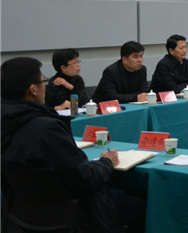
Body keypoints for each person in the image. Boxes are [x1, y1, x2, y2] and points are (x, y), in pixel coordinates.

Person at [1, 57, 145, 233]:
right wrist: (107, 162)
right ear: (33, 89)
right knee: (143, 205)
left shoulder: (8, 124)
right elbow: (85, 178)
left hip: (22, 215)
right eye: (43, 81)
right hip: (75, 211)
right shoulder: (46, 128)